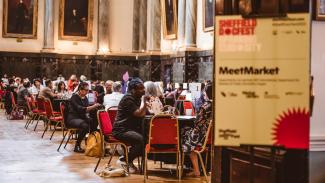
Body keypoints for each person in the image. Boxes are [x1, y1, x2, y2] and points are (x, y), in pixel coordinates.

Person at [112, 78, 150, 173]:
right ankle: (125, 160)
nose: (143, 90)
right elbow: (139, 114)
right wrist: (144, 102)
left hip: (131, 128)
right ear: (133, 90)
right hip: (121, 130)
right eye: (141, 88)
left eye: (143, 88)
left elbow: (146, 113)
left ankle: (128, 159)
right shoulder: (128, 99)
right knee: (141, 140)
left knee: (148, 137)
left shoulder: (136, 98)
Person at [182, 83, 212, 177]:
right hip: (209, 136)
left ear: (207, 93)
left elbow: (197, 122)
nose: (203, 94)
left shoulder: (205, 106)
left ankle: (195, 170)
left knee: (183, 134)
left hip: (200, 136)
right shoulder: (216, 105)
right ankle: (199, 168)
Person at [66, 82, 101, 153]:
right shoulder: (74, 97)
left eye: (88, 90)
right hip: (72, 118)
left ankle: (92, 144)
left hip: (81, 118)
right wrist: (93, 107)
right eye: (86, 90)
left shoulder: (85, 98)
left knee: (95, 122)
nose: (87, 92)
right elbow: (80, 109)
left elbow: (86, 110)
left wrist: (94, 108)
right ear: (80, 90)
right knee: (85, 125)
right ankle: (77, 145)